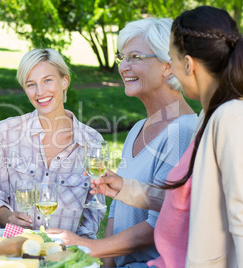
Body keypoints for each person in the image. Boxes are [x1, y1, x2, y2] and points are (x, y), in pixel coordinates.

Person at [88, 6, 243, 267]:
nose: (124, 66)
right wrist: (126, 189)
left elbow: (239, 215)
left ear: (184, 65)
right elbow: (185, 201)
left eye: (172, 59)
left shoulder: (228, 116)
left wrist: (89, 245)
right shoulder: (209, 116)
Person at [47, 18, 198, 267]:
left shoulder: (183, 130)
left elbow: (160, 220)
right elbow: (116, 214)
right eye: (122, 58)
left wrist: (89, 246)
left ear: (168, 66)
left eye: (135, 57)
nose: (123, 66)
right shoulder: (138, 128)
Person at [0, 48, 105, 239]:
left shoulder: (92, 142)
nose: (40, 92)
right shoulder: (6, 132)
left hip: (64, 255)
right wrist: (9, 219)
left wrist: (72, 250)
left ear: (64, 81)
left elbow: (93, 216)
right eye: (31, 84)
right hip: (16, 252)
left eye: (47, 80)